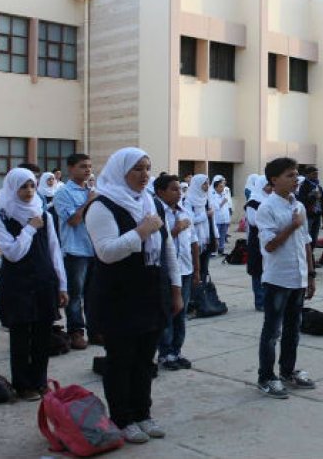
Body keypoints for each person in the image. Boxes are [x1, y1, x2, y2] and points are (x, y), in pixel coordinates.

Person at [84, 147, 183, 444]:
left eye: (147, 168)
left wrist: (176, 289)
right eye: (137, 169)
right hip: (118, 295)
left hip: (151, 291)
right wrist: (141, 232)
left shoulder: (150, 203)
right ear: (120, 171)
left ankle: (143, 413)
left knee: (144, 360)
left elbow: (167, 248)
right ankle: (122, 418)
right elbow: (106, 252)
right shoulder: (102, 206)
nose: (144, 175)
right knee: (120, 360)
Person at [0, 168, 68, 401]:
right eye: (23, 187)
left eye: (32, 185)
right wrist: (31, 228)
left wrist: (62, 285)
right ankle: (23, 385)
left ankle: (40, 381)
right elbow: (13, 253)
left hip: (44, 280)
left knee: (43, 335)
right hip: (18, 283)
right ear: (12, 188)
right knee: (21, 335)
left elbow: (54, 251)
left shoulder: (44, 215)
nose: (29, 191)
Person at [256, 157, 316, 399]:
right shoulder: (267, 208)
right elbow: (269, 245)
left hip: (298, 277)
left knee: (293, 330)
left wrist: (310, 275)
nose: (296, 179)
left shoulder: (298, 206)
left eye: (296, 174)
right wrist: (292, 226)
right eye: (290, 175)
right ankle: (265, 377)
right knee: (272, 332)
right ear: (274, 179)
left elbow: (306, 243)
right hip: (277, 280)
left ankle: (287, 371)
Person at [154, 174, 200, 371]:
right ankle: (165, 353)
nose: (179, 193)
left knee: (181, 313)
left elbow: (194, 242)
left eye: (179, 189)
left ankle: (176, 350)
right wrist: (175, 230)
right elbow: (157, 243)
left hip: (185, 270)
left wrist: (197, 270)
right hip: (166, 273)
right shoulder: (156, 213)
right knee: (167, 312)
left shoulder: (185, 212)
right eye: (173, 189)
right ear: (160, 192)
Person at [53, 153, 98, 349]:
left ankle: (95, 330)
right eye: (82, 166)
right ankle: (76, 331)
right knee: (75, 295)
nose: (87, 170)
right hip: (75, 251)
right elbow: (73, 220)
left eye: (89, 166)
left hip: (94, 249)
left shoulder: (92, 191)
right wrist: (88, 202)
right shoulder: (63, 193)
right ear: (70, 169)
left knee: (93, 294)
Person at [185, 174, 219, 283]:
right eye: (204, 183)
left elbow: (212, 220)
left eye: (208, 183)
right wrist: (205, 215)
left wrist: (216, 236)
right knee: (195, 266)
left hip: (207, 238)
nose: (207, 186)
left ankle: (203, 288)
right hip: (195, 239)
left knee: (205, 268)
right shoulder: (188, 200)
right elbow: (190, 220)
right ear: (197, 184)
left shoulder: (207, 198)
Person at [245, 175, 272, 311]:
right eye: (267, 185)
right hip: (256, 239)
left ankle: (267, 299)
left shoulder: (271, 200)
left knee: (268, 269)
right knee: (257, 270)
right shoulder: (253, 202)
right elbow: (253, 221)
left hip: (268, 238)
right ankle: (260, 301)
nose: (270, 188)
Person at [297, 166, 323, 247]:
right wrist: (313, 196)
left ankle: (311, 252)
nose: (316, 176)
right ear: (307, 175)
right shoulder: (303, 186)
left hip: (317, 214)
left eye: (317, 174)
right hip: (308, 215)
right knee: (307, 237)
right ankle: (307, 253)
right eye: (314, 174)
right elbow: (301, 201)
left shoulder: (318, 186)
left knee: (314, 237)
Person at [210, 175, 231, 256]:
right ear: (216, 187)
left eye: (223, 186)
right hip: (217, 218)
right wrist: (223, 201)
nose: (222, 188)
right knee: (216, 235)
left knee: (223, 234)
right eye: (220, 187)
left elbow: (227, 206)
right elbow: (216, 207)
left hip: (225, 218)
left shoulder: (225, 193)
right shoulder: (212, 195)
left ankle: (221, 249)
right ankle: (213, 251)